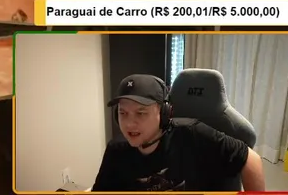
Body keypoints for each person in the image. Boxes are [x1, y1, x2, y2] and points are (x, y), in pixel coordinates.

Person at [91, 74, 265, 191]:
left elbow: (251, 159)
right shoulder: (116, 150)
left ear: (165, 113)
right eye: (123, 113)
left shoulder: (192, 133)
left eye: (141, 113)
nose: (129, 123)